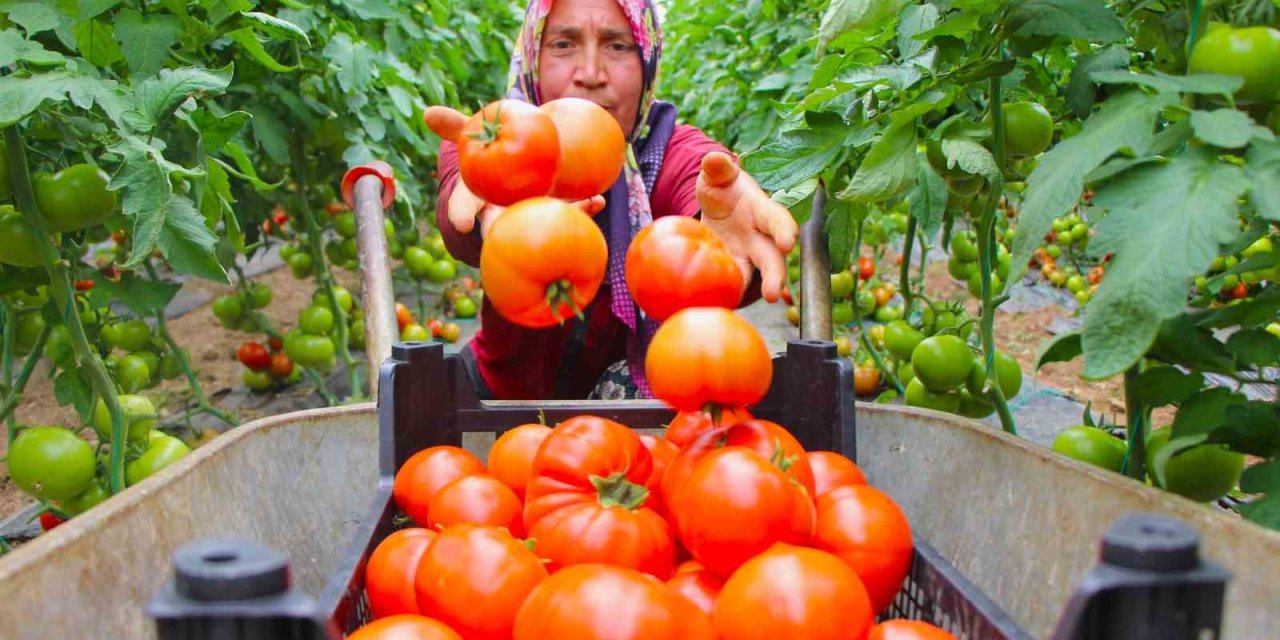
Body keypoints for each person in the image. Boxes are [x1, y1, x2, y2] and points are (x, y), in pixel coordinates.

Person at [423, 0, 797, 401]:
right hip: (500, 395)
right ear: (532, 56)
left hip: (626, 407)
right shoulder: (485, 143)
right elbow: (460, 216)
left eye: (617, 46)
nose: (590, 74)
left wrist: (721, 243)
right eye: (563, 44)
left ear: (647, 62)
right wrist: (492, 192)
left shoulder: (667, 148)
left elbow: (704, 180)